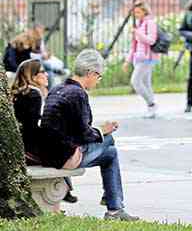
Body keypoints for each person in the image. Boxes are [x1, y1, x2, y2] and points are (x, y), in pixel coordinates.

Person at [41, 50, 139, 221]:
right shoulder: (78, 93)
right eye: (99, 77)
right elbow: (84, 134)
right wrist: (103, 131)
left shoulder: (57, 88)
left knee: (110, 153)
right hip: (63, 157)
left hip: (48, 152)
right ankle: (113, 208)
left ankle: (113, 206)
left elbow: (71, 129)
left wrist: (99, 131)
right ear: (91, 73)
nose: (98, 81)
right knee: (109, 142)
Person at [11, 59, 80, 204]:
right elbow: (35, 127)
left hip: (21, 146)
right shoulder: (34, 95)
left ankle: (66, 188)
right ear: (33, 76)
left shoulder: (22, 93)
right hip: (28, 150)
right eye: (43, 72)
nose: (47, 75)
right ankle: (65, 188)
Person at [124, 2, 159, 118]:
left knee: (135, 82)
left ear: (145, 11)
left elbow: (151, 40)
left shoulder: (150, 23)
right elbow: (133, 45)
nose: (136, 14)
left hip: (147, 58)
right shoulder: (139, 24)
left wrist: (137, 33)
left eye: (138, 12)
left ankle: (152, 104)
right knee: (146, 84)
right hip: (138, 58)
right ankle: (152, 109)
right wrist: (128, 61)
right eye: (135, 12)